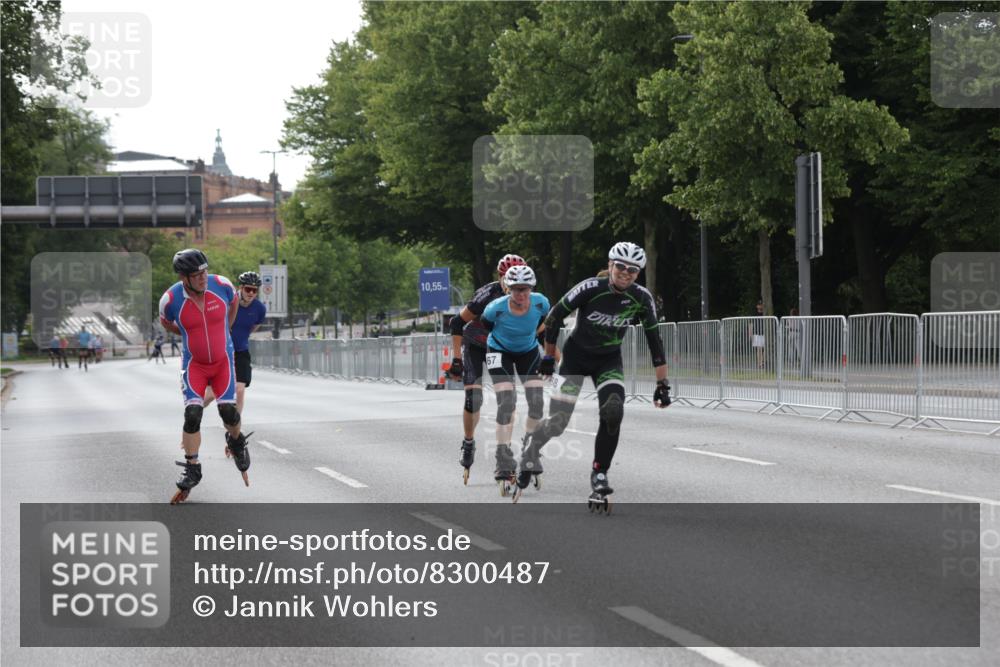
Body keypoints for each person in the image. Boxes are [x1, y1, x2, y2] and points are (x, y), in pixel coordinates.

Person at [517, 242, 672, 511]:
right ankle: (531, 449)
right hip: (575, 359)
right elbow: (554, 317)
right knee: (558, 422)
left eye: (633, 270)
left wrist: (662, 383)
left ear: (638, 273)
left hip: (608, 361)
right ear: (610, 265)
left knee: (613, 411)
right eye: (620, 266)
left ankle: (599, 473)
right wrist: (548, 357)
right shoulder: (591, 287)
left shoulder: (641, 297)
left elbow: (654, 340)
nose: (625, 273)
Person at [158, 248, 251, 504]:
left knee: (228, 412)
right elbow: (167, 323)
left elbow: (233, 306)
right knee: (192, 414)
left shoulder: (222, 286)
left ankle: (236, 441)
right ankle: (192, 468)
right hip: (194, 364)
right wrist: (189, 333)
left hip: (222, 361)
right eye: (197, 275)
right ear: (183, 277)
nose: (203, 278)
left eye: (205, 271)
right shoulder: (170, 299)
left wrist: (225, 330)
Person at [448, 253, 525, 484]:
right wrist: (456, 359)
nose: (514, 285)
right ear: (501, 278)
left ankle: (503, 453)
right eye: (508, 279)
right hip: (474, 345)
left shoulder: (526, 296)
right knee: (474, 399)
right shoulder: (488, 294)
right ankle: (468, 442)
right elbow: (456, 322)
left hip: (497, 349)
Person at [480, 265, 550, 497]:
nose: (521, 294)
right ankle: (503, 457)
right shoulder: (495, 308)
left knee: (537, 403)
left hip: (528, 351)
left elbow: (545, 325)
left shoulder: (541, 303)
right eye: (516, 289)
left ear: (532, 288)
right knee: (507, 402)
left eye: (525, 289)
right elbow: (486, 326)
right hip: (498, 350)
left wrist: (548, 354)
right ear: (508, 288)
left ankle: (530, 449)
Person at [749, 300, 766, 369]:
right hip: (757, 334)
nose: (760, 306)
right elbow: (751, 324)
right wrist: (750, 334)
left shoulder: (765, 313)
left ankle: (762, 362)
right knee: (759, 349)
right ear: (757, 306)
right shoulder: (754, 314)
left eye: (761, 304)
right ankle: (759, 364)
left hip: (764, 333)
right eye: (759, 304)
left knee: (765, 349)